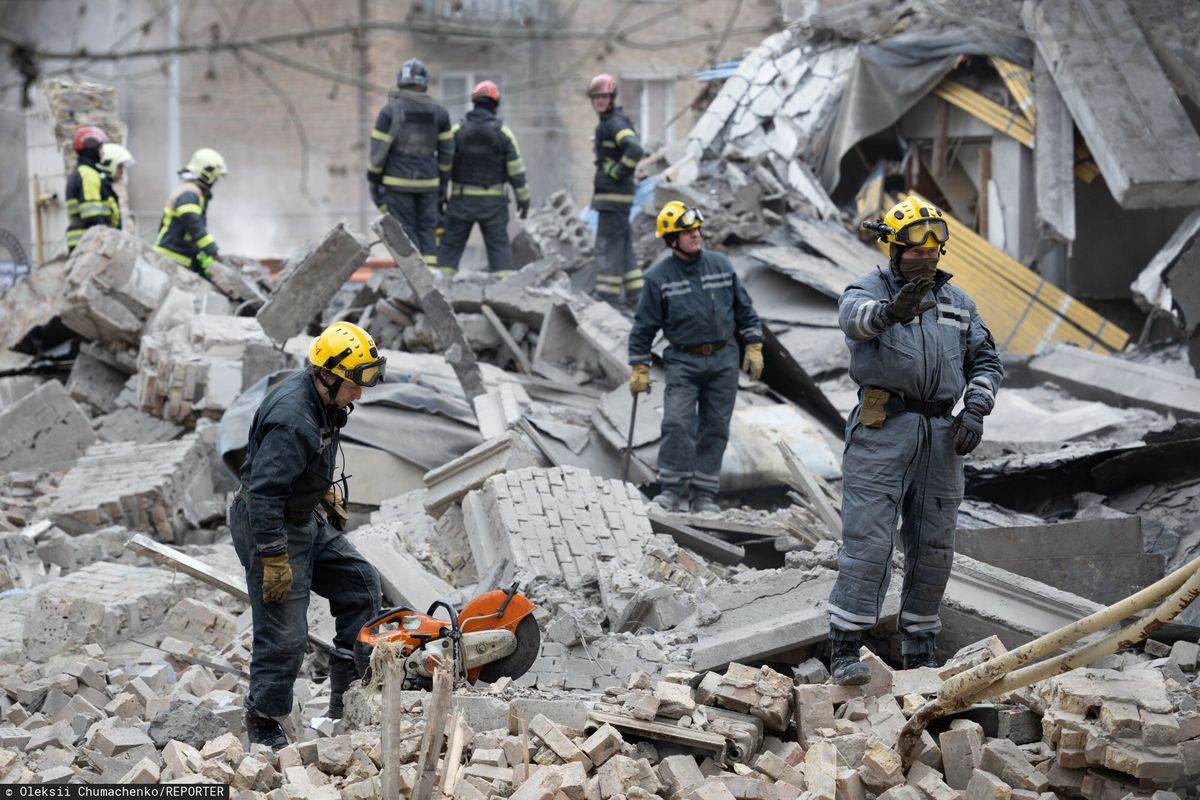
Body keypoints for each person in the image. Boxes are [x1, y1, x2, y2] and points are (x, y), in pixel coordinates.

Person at [826, 195, 1004, 685]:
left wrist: (975, 409)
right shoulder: (866, 290)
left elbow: (986, 361)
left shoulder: (959, 304)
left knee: (934, 544)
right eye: (915, 246)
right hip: (884, 429)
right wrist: (889, 313)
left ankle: (920, 652)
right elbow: (853, 319)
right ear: (894, 248)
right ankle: (845, 648)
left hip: (942, 436)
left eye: (934, 246)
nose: (926, 254)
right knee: (868, 540)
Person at [229, 321, 385, 750]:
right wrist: (275, 557)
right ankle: (263, 722)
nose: (360, 393)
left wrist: (321, 492)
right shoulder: (293, 418)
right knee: (284, 632)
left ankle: (345, 698)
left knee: (359, 582)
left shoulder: (326, 398)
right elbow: (263, 494)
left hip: (301, 516)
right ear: (328, 374)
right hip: (270, 523)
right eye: (355, 383)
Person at [627, 202, 764, 514]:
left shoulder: (721, 265)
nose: (696, 235)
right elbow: (644, 326)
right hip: (683, 361)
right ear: (671, 239)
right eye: (687, 232)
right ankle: (671, 490)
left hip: (723, 359)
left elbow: (746, 310)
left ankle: (704, 495)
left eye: (697, 229)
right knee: (677, 423)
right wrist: (639, 366)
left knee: (715, 427)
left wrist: (754, 345)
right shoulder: (658, 278)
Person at [435, 80, 531, 276]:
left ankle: (440, 293)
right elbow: (517, 172)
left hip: (461, 203)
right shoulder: (503, 134)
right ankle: (504, 297)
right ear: (496, 104)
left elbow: (442, 169)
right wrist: (524, 200)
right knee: (499, 252)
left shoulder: (456, 133)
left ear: (474, 103)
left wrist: (439, 198)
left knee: (449, 252)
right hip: (493, 205)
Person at [367, 58, 453, 270]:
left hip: (397, 185)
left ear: (400, 81)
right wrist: (442, 184)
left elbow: (378, 154)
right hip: (429, 184)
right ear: (424, 82)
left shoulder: (390, 112)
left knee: (404, 233)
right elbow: (447, 154)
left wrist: (374, 180)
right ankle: (431, 277)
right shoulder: (440, 112)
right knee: (428, 231)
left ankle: (410, 280)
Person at [588, 73, 644, 306]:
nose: (599, 101)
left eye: (604, 96)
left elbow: (634, 149)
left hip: (613, 199)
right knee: (623, 247)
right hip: (616, 199)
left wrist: (618, 171)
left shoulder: (614, 123)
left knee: (607, 247)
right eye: (596, 97)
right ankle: (637, 296)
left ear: (612, 98)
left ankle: (607, 297)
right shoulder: (608, 123)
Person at [154, 148, 227, 279]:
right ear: (207, 173)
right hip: (171, 260)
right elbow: (194, 226)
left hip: (179, 260)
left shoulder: (195, 193)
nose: (216, 181)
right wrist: (213, 251)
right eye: (216, 177)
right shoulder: (189, 193)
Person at [64, 126, 116, 251]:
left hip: (81, 242)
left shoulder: (80, 172)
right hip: (89, 244)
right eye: (100, 147)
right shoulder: (88, 174)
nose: (103, 152)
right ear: (91, 148)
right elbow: (92, 214)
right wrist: (107, 239)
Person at [96, 143, 135, 230]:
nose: (122, 171)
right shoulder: (101, 188)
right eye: (120, 167)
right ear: (108, 164)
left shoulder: (109, 189)